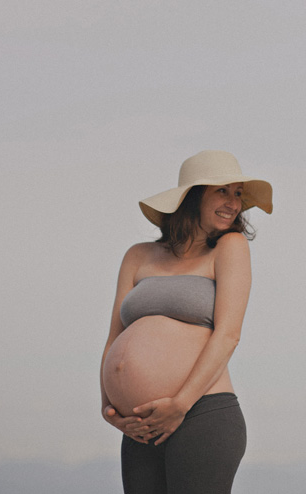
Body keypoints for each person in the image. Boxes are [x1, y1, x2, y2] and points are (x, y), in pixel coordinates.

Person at [100, 149, 273, 494]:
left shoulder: (229, 247)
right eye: (221, 191)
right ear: (192, 197)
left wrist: (180, 406)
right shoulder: (137, 256)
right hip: (141, 423)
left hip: (200, 413)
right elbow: (114, 338)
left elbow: (228, 335)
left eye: (238, 193)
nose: (233, 203)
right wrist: (108, 406)